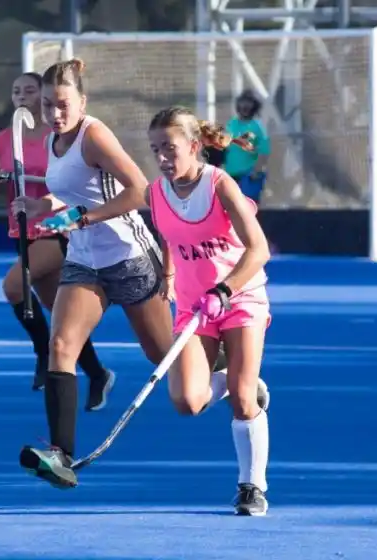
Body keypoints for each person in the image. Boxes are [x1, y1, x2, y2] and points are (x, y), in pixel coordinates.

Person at [13, 59, 244, 489]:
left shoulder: (94, 135)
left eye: (63, 104)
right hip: (84, 260)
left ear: (82, 102)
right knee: (60, 346)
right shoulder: (53, 139)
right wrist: (42, 205)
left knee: (164, 356)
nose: (54, 113)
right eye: (47, 105)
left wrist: (83, 218)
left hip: (129, 257)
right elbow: (75, 192)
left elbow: (141, 191)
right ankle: (61, 455)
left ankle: (234, 375)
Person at [146, 106, 271, 516]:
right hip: (193, 306)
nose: (162, 157)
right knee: (187, 401)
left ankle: (252, 486)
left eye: (170, 148)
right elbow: (169, 232)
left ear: (194, 146)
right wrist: (167, 272)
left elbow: (259, 250)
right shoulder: (156, 192)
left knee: (242, 401)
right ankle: (237, 382)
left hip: (240, 297)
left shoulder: (220, 184)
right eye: (155, 149)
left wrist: (226, 288)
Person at [0, 71, 113, 407]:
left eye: (29, 90)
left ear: (43, 96)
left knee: (13, 286)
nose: (22, 96)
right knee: (59, 316)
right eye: (16, 91)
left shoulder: (57, 137)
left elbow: (75, 181)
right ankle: (97, 373)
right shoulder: (2, 140)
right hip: (21, 230)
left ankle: (41, 354)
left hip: (57, 228)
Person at [224, 90, 270, 204]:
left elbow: (264, 152)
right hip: (230, 175)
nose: (245, 106)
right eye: (243, 102)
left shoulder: (258, 127)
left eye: (249, 102)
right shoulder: (232, 124)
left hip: (248, 177)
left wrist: (256, 171)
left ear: (255, 106)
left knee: (247, 208)